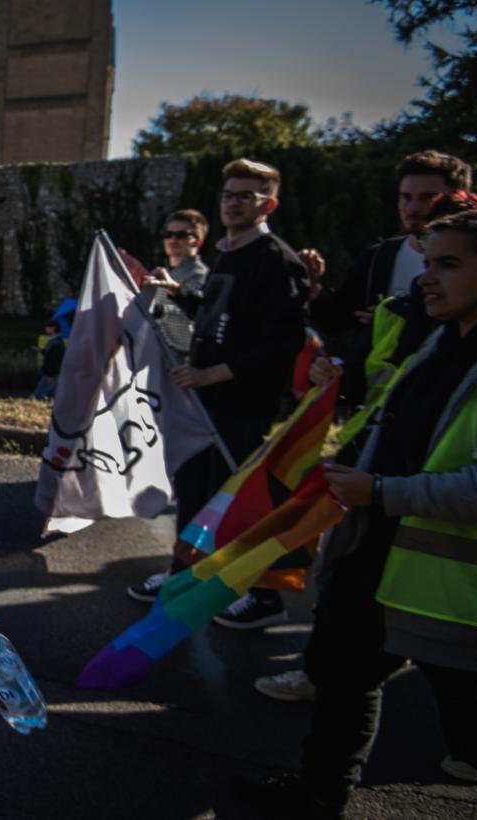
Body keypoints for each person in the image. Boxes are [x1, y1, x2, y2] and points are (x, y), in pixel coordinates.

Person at [235, 210, 477, 818]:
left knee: (470, 720)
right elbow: (395, 422)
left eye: (448, 264)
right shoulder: (439, 342)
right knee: (341, 674)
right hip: (376, 554)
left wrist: (379, 490)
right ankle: (319, 794)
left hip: (448, 590)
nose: (426, 278)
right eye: (427, 263)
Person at [127, 159, 311, 632]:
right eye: (228, 194)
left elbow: (284, 341)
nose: (233, 203)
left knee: (241, 500)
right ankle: (183, 575)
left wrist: (213, 374)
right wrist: (178, 294)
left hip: (243, 404)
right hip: (203, 401)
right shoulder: (229, 253)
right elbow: (216, 315)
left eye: (245, 196)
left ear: (268, 204)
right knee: (195, 492)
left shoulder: (275, 259)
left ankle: (264, 595)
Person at [299, 150, 472, 406]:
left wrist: (402, 323)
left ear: (458, 198)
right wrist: (312, 287)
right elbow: (337, 319)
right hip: (378, 405)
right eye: (406, 197)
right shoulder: (380, 257)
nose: (413, 208)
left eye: (428, 197)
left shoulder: (475, 262)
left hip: (447, 397)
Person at [142, 209, 211, 364]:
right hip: (157, 356)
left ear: (197, 241)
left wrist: (157, 310)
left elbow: (192, 317)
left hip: (183, 362)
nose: (173, 240)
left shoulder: (200, 275)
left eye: (181, 235)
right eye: (169, 234)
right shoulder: (163, 272)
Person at [34, 318, 66, 401]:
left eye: (48, 327)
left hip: (51, 374)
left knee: (39, 395)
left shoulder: (56, 343)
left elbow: (54, 360)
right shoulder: (56, 341)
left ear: (53, 328)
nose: (46, 329)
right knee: (52, 396)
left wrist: (50, 375)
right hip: (54, 373)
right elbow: (52, 355)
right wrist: (42, 350)